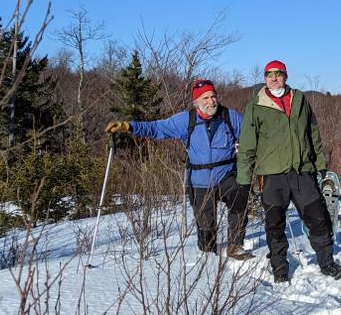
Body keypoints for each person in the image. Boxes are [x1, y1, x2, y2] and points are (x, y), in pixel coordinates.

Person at [105, 78, 252, 260]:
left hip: (226, 175)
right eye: (205, 98)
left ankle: (235, 245)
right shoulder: (186, 120)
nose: (211, 101)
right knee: (206, 227)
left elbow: (253, 135)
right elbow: (157, 128)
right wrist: (129, 126)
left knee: (240, 203)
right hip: (200, 180)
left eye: (213, 96)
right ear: (196, 102)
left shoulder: (230, 117)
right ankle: (208, 253)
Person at [236, 60, 341, 283]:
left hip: (301, 172)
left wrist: (319, 163)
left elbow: (312, 132)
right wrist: (244, 179)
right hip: (272, 174)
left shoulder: (299, 99)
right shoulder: (256, 105)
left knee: (318, 218)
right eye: (269, 75)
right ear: (265, 77)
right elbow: (247, 144)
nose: (274, 78)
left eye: (278, 74)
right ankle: (280, 270)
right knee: (274, 223)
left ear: (286, 76)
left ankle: (327, 263)